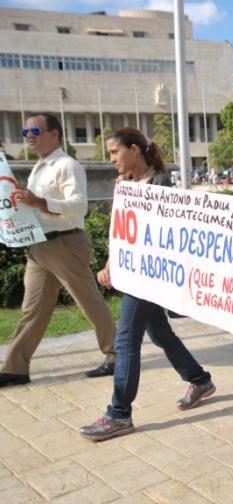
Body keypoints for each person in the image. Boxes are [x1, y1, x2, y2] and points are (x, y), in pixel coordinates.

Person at [78, 128, 215, 441]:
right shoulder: (124, 185)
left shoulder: (161, 183)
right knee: (160, 333)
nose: (111, 159)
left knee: (126, 339)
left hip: (150, 275)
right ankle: (199, 379)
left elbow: (169, 232)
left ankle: (119, 414)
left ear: (135, 150)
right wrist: (112, 263)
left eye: (115, 152)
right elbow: (120, 231)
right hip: (133, 272)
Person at [0, 113, 116, 388]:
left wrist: (38, 202)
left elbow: (78, 205)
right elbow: (37, 204)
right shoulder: (40, 166)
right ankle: (15, 368)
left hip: (64, 243)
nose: (29, 135)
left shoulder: (67, 165)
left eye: (35, 130)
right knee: (33, 309)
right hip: (40, 246)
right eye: (25, 130)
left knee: (89, 302)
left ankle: (117, 355)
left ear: (55, 134)